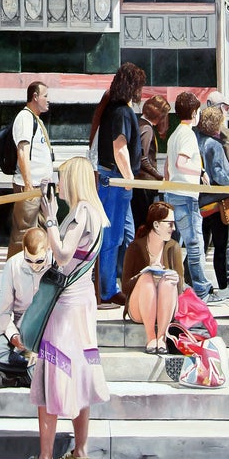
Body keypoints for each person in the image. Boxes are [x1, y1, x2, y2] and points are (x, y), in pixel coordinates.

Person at [17, 156, 110, 459]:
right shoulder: (97, 214)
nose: (61, 183)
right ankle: (80, 451)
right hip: (83, 303)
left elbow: (63, 253)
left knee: (52, 376)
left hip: (66, 306)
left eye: (63, 177)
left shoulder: (81, 212)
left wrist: (51, 220)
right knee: (80, 375)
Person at [88, 64, 144, 300]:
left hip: (112, 178)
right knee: (112, 238)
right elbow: (119, 147)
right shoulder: (121, 111)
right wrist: (129, 178)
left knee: (125, 234)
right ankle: (107, 289)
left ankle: (116, 283)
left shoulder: (113, 108)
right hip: (115, 179)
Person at [164, 90, 214, 302]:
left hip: (172, 193)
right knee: (195, 245)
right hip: (186, 195)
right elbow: (180, 163)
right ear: (194, 112)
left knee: (171, 244)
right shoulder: (188, 135)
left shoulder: (175, 134)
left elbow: (168, 166)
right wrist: (201, 172)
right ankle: (201, 290)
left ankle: (173, 287)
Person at [0, 225, 51, 378]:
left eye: (39, 261)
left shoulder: (57, 264)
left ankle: (22, 378)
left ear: (48, 249)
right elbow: (3, 312)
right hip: (21, 328)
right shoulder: (13, 264)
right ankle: (34, 373)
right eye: (29, 260)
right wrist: (14, 336)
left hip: (48, 329)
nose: (34, 265)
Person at [122, 199, 183, 351]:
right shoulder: (135, 247)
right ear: (156, 225)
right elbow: (125, 287)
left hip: (167, 307)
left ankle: (161, 337)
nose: (173, 228)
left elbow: (181, 289)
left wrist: (177, 279)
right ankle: (151, 337)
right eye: (169, 223)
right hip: (139, 308)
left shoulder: (173, 247)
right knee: (147, 279)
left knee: (168, 281)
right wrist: (144, 273)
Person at [9, 79, 56, 258]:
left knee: (46, 230)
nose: (48, 100)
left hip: (43, 187)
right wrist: (28, 184)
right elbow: (22, 150)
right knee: (23, 233)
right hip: (30, 186)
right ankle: (16, 272)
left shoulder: (35, 119)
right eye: (45, 96)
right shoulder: (25, 118)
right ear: (35, 97)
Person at [196, 101, 229, 294]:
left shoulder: (197, 139)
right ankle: (223, 283)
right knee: (221, 245)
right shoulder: (213, 144)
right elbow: (219, 173)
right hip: (217, 200)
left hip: (201, 200)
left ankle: (194, 279)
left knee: (202, 244)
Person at [131, 91, 170, 234]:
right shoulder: (147, 129)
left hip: (139, 184)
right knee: (144, 223)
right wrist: (159, 176)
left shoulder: (138, 123)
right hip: (144, 185)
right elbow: (144, 159)